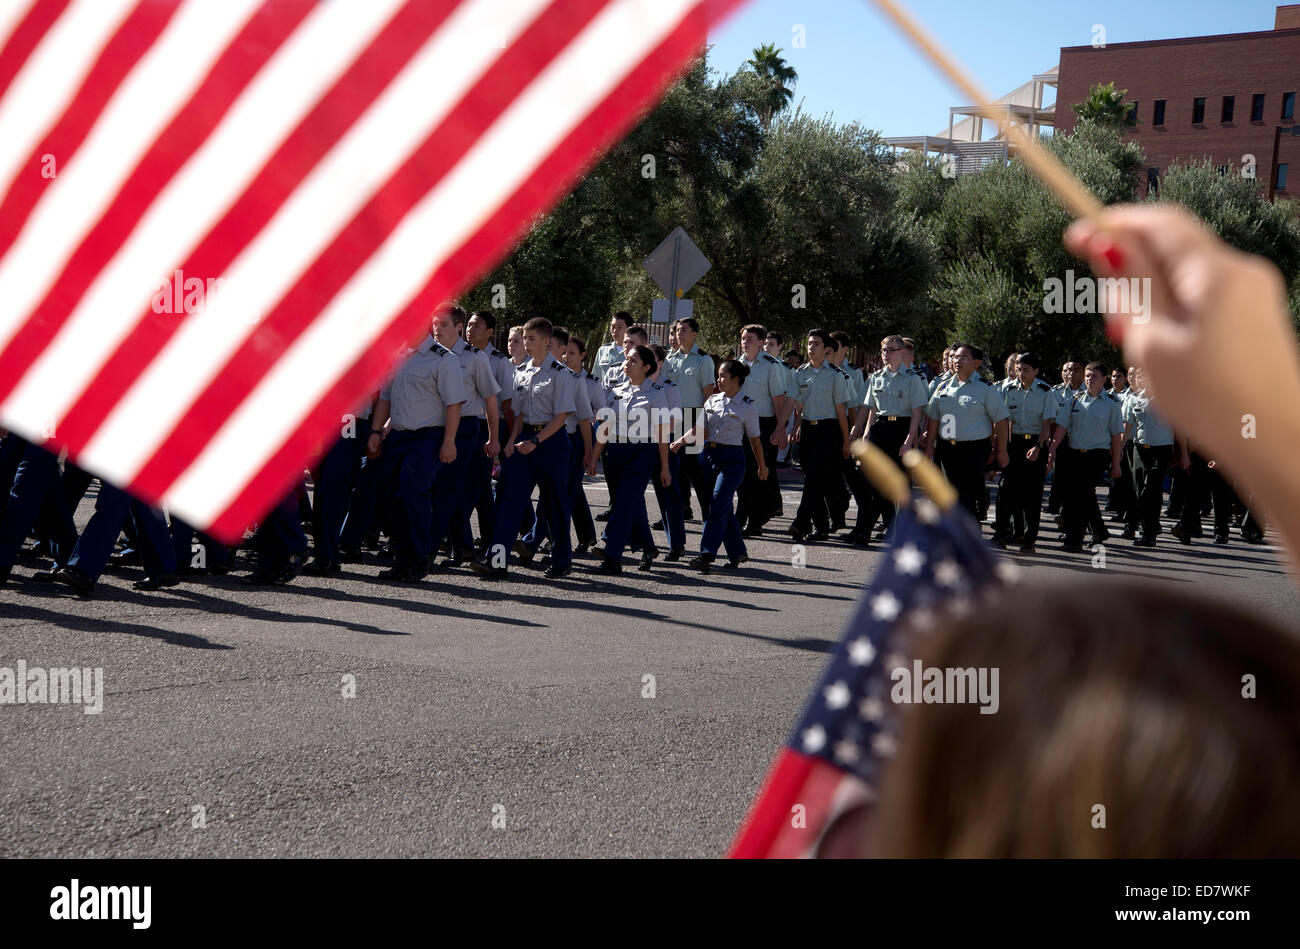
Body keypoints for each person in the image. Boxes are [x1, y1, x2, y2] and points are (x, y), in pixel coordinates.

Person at [472, 316, 575, 580]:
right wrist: (510, 442)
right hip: (524, 439)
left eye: (531, 339)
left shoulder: (560, 374)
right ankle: (496, 562)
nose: (526, 344)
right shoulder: (521, 371)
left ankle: (562, 560)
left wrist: (536, 442)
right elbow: (518, 414)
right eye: (525, 338)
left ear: (546, 341)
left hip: (550, 442)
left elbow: (561, 417)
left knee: (554, 504)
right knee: (509, 501)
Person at [367, 322, 466, 581]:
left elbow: (454, 405)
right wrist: (376, 431)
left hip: (427, 437)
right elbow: (386, 398)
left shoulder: (444, 359)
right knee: (391, 496)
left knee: (412, 493)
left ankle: (420, 559)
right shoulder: (399, 355)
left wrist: (449, 441)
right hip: (398, 435)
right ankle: (402, 559)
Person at [672, 360, 767, 573]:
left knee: (717, 505)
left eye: (723, 376)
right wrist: (680, 442)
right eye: (718, 375)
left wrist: (762, 465)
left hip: (732, 460)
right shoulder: (712, 400)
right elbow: (701, 430)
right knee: (720, 507)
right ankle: (737, 552)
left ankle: (706, 554)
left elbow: (754, 439)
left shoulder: (748, 405)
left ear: (736, 380)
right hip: (709, 457)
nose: (719, 380)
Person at [587, 345, 672, 575]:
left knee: (624, 504)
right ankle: (648, 546)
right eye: (627, 359)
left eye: (633, 361)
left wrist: (665, 467)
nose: (627, 363)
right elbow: (605, 427)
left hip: (642, 452)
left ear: (646, 367)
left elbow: (662, 433)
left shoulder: (656, 394)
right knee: (627, 505)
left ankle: (612, 557)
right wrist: (594, 457)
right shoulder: (616, 391)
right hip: (615, 451)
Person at [426, 307, 499, 573]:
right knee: (443, 489)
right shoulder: (430, 354)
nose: (437, 329)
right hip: (434, 425)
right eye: (434, 324)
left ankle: (428, 551)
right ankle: (464, 547)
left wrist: (493, 438)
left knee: (445, 489)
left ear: (459, 327)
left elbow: (491, 400)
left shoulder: (474, 357)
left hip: (466, 428)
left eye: (443, 324)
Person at [849, 334, 929, 544]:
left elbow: (916, 414)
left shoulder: (913, 378)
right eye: (884, 350)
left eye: (891, 350)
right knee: (873, 483)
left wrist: (909, 441)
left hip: (902, 429)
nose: (886, 354)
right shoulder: (876, 377)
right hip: (880, 430)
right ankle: (863, 530)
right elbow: (872, 410)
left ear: (902, 353)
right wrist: (865, 435)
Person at [452, 310, 515, 561]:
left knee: (469, 487)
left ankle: (462, 543)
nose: (470, 330)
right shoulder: (454, 355)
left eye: (477, 326)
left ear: (490, 332)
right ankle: (486, 538)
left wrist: (504, 438)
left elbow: (507, 404)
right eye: (468, 325)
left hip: (488, 427)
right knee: (480, 489)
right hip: (461, 425)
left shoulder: (499, 362)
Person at [921, 344, 1010, 522]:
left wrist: (1001, 451)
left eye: (963, 358)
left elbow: (1001, 420)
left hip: (974, 449)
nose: (957, 361)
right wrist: (929, 446)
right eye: (955, 357)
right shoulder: (943, 387)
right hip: (947, 449)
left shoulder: (986, 388)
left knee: (966, 494)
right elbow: (933, 418)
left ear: (976, 363)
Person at [1047, 361, 1123, 553]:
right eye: (1087, 376)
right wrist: (1052, 449)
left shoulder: (1112, 405)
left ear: (1104, 379)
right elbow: (1062, 427)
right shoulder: (1075, 400)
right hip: (1075, 454)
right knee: (1079, 495)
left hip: (1097, 455)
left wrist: (1116, 463)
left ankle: (1075, 539)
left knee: (1081, 494)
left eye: (1094, 376)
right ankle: (1099, 529)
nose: (1090, 379)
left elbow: (1116, 436)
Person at [786, 329, 851, 543]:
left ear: (827, 349)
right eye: (809, 343)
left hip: (829, 430)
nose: (811, 348)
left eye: (816, 344)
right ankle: (821, 526)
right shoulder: (800, 373)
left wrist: (846, 440)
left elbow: (841, 410)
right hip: (807, 430)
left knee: (814, 478)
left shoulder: (835, 375)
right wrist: (794, 426)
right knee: (813, 479)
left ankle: (801, 522)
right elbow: (798, 404)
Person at [992, 352, 1053, 552]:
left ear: (1036, 371)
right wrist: (1001, 449)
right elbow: (1001, 421)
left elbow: (1047, 425)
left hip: (1036, 443)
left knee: (1033, 494)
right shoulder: (1008, 389)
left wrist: (1038, 446)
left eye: (1026, 370)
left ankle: (1029, 540)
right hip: (1013, 444)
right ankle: (1000, 535)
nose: (1021, 374)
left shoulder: (1045, 391)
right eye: (1018, 369)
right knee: (1006, 490)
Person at [736, 325, 788, 537]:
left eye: (750, 339)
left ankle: (754, 520)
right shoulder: (736, 364)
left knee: (759, 473)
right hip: (739, 425)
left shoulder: (771, 366)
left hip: (763, 425)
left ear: (760, 342)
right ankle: (742, 515)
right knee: (740, 472)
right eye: (743, 338)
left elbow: (778, 400)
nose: (745, 342)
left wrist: (780, 429)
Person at [664, 317, 716, 523]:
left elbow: (708, 394)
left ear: (694, 334)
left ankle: (708, 514)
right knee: (675, 468)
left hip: (693, 416)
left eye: (684, 330)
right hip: (673, 417)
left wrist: (702, 423)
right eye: (677, 330)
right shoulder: (670, 359)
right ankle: (679, 510)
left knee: (696, 471)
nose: (679, 334)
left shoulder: (703, 360)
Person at [1118, 367, 1176, 547]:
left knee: (1151, 490)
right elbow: (1127, 427)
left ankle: (1148, 533)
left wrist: (1183, 455)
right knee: (1138, 491)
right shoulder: (1134, 398)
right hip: (1139, 449)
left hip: (1162, 450)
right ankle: (1142, 525)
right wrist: (1118, 450)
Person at [593, 311, 630, 383]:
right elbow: (596, 378)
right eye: (613, 327)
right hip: (604, 393)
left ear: (628, 328)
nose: (615, 331)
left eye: (619, 327)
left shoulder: (635, 352)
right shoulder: (603, 350)